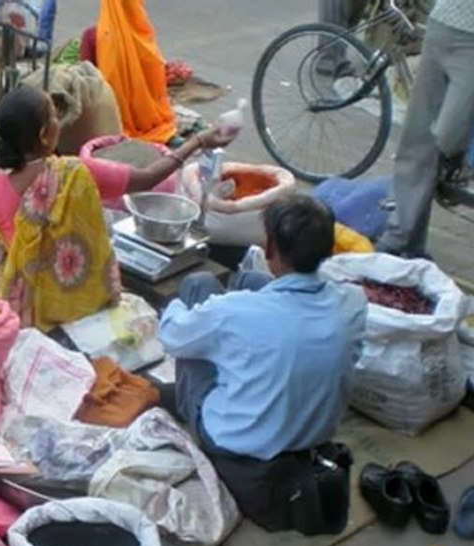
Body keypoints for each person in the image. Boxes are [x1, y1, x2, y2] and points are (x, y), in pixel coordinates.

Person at [0, 85, 232, 329]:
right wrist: (198, 140)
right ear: (46, 134)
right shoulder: (77, 173)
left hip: (25, 308)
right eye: (54, 116)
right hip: (79, 301)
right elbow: (149, 177)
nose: (60, 120)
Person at [159, 194, 367, 463]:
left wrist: (174, 305)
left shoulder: (234, 311)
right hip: (315, 434)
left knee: (197, 285)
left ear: (269, 247)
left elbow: (171, 337)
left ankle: (192, 412)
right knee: (252, 279)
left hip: (232, 441)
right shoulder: (354, 302)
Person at [377, 0, 474, 258]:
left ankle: (452, 172)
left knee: (447, 137)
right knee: (418, 138)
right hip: (441, 25)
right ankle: (401, 237)